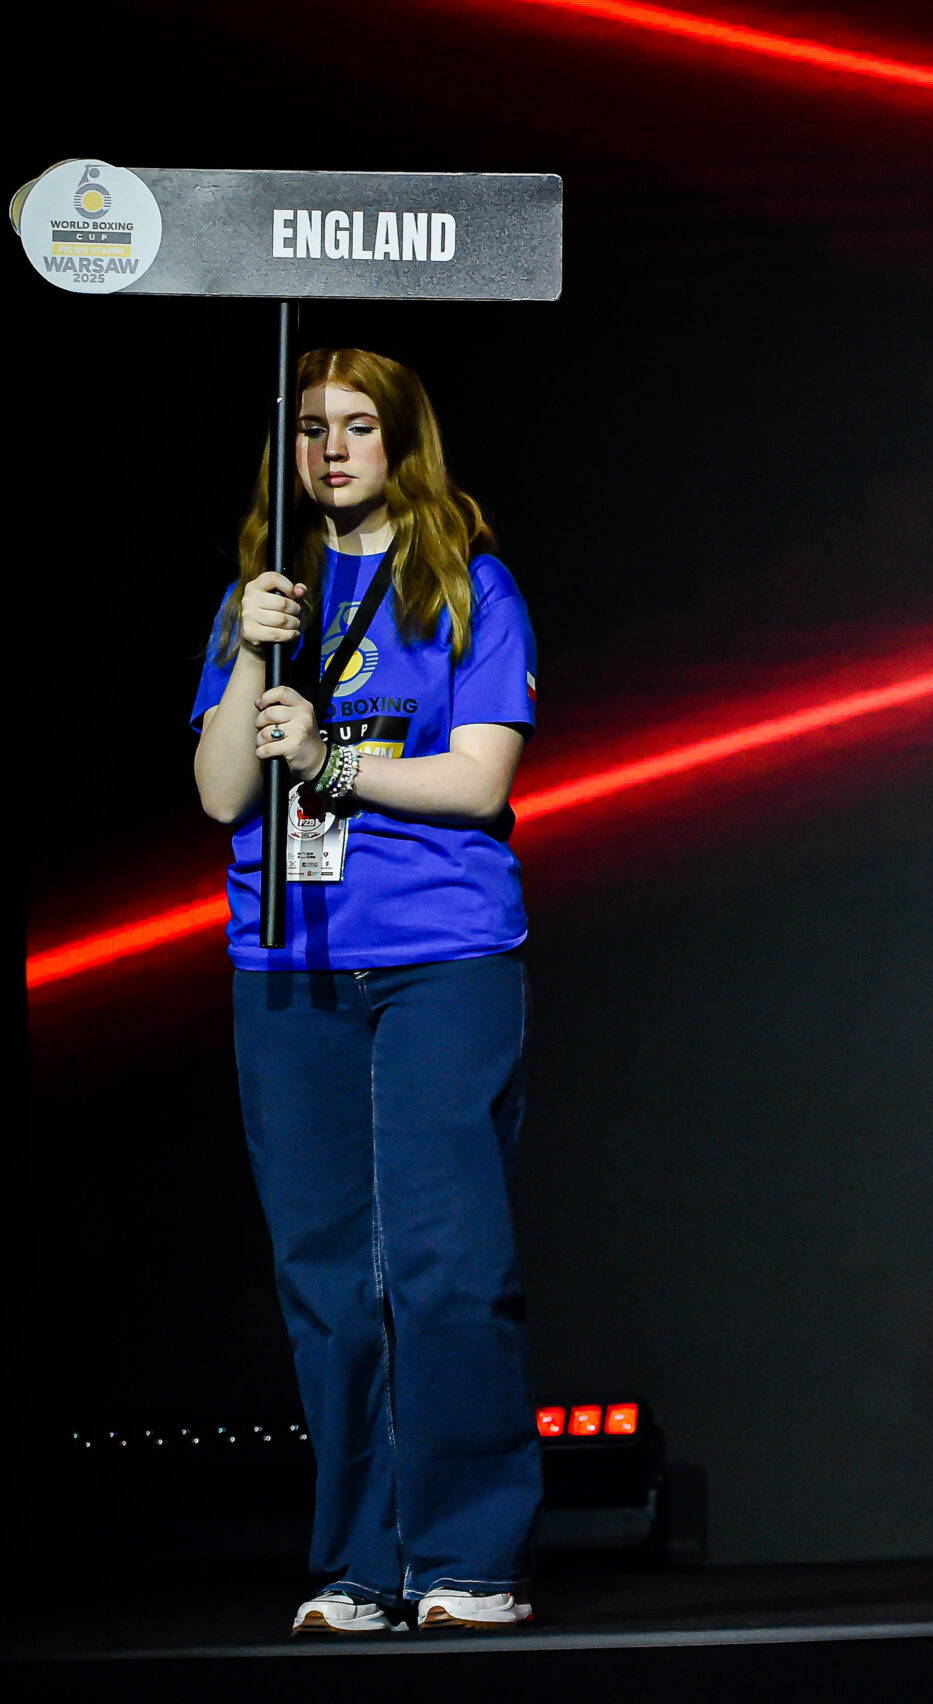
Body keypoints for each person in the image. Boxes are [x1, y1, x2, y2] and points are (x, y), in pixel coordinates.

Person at [192, 348, 542, 1634]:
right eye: (309, 427)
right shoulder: (262, 598)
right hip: (287, 963)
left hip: (440, 955)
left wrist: (335, 765)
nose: (330, 449)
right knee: (328, 1279)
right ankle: (359, 1566)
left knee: (445, 1264)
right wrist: (253, 655)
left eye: (355, 425)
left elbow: (480, 780)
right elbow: (221, 795)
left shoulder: (464, 582)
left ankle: (468, 1556)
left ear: (402, 440)